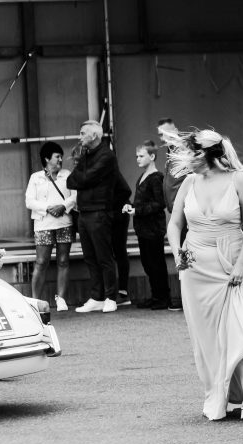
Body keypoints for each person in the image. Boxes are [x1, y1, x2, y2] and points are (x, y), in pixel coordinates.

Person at [166, 128, 243, 421]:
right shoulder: (189, 182)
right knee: (208, 338)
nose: (189, 158)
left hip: (231, 264)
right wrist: (177, 252)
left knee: (239, 329)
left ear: (210, 155)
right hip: (195, 268)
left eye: (195, 152)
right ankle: (222, 395)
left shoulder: (239, 180)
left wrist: (240, 264)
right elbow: (174, 224)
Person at [68, 120, 125, 314]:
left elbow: (84, 178)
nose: (80, 136)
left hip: (100, 212)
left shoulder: (107, 156)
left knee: (104, 257)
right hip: (84, 213)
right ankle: (97, 297)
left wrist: (83, 180)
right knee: (90, 257)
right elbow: (72, 180)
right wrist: (84, 180)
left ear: (94, 136)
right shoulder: (85, 154)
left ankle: (110, 297)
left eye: (83, 133)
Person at [25, 142, 76, 311]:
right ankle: (34, 301)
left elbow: (75, 195)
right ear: (47, 158)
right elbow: (29, 201)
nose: (61, 159)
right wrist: (48, 208)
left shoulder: (67, 175)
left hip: (64, 222)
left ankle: (61, 299)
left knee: (63, 260)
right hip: (43, 224)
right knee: (41, 262)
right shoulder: (36, 177)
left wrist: (63, 205)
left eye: (61, 156)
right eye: (57, 156)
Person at [123, 141, 172, 310]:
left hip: (153, 228)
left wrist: (138, 211)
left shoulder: (156, 177)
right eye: (137, 156)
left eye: (141, 156)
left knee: (155, 262)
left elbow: (160, 203)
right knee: (148, 262)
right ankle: (156, 295)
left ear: (152, 157)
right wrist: (131, 207)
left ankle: (163, 297)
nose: (137, 159)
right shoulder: (143, 176)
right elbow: (143, 201)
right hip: (143, 228)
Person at [157, 118, 185, 311]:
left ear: (175, 130)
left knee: (186, 252)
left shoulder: (183, 150)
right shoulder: (172, 151)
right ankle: (186, 298)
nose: (162, 138)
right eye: (160, 134)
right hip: (176, 208)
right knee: (183, 252)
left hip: (184, 209)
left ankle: (187, 299)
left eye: (165, 133)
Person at [112, 170, 133, 307]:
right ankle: (117, 292)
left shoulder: (112, 171)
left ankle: (122, 292)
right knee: (116, 252)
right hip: (112, 213)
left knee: (119, 250)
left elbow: (126, 191)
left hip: (118, 213)